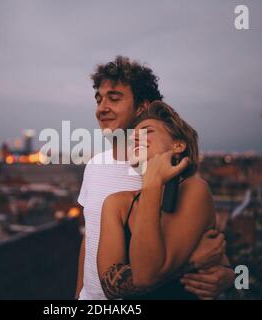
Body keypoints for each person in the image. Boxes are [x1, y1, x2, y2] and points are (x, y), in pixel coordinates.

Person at [76, 56, 235, 300]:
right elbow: (89, 240)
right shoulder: (95, 167)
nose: (102, 107)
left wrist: (226, 274)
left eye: (114, 98)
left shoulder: (173, 181)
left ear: (142, 106)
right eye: (99, 99)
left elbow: (208, 248)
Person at [97, 101, 232, 299]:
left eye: (146, 131)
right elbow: (110, 287)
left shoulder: (193, 189)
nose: (134, 136)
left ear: (178, 145)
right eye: (132, 134)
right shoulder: (116, 204)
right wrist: (189, 265)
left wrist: (152, 185)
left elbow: (144, 276)